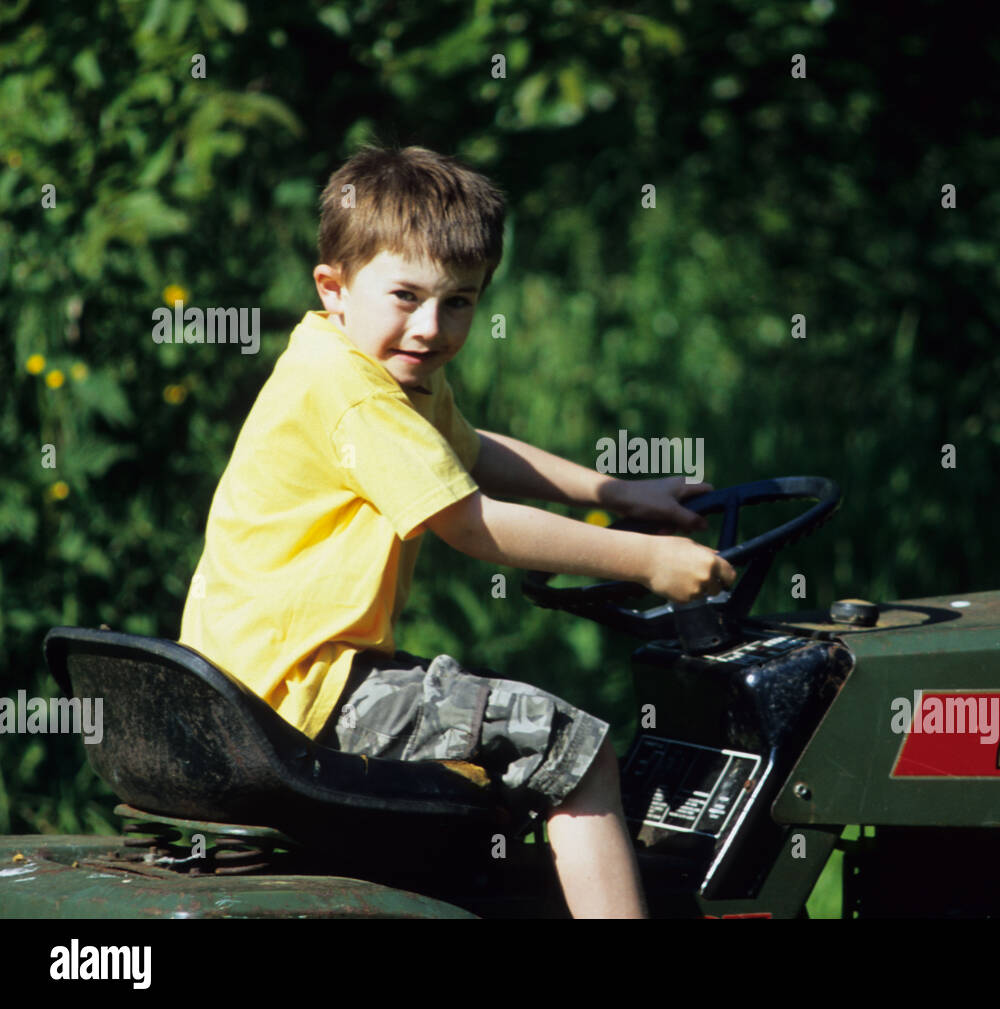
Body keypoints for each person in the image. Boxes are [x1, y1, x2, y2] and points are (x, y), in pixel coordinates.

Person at [179, 145, 735, 918]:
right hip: (305, 694)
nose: (432, 328)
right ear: (333, 287)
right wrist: (649, 560)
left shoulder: (356, 365)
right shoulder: (359, 399)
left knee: (505, 762)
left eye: (460, 302)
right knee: (574, 752)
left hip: (265, 679)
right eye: (406, 296)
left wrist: (614, 491)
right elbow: (472, 525)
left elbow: (473, 452)